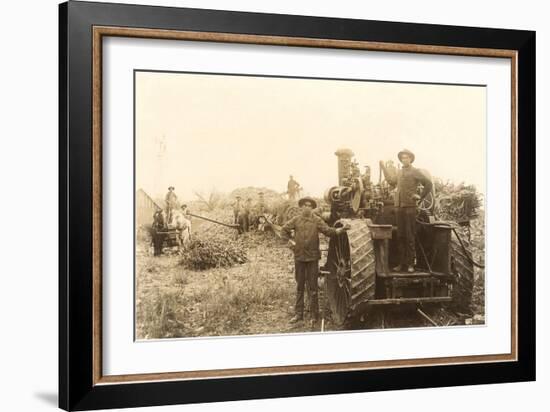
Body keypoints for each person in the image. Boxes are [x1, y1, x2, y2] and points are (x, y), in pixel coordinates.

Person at [282, 196, 349, 327]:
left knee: (313, 288)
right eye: (304, 205)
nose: (307, 207)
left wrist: (341, 230)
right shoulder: (296, 220)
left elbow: (328, 231)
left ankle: (314, 315)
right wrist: (290, 242)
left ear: (312, 208)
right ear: (301, 207)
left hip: (312, 258)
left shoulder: (317, 220)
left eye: (309, 205)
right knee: (300, 286)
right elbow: (284, 230)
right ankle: (298, 314)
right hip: (299, 257)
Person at [390, 149, 433, 273]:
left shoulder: (415, 171)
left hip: (410, 207)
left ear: (410, 159)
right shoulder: (399, 172)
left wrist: (420, 196)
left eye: (407, 157)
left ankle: (410, 264)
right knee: (400, 235)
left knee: (410, 236)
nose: (405, 159)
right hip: (399, 207)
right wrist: (383, 167)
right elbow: (392, 182)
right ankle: (401, 264)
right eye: (403, 158)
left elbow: (428, 184)